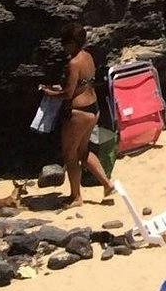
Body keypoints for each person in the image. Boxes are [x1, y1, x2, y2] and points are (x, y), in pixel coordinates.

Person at [42, 21, 114, 208]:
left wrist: (50, 92)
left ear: (72, 43)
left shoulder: (73, 63)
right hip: (93, 108)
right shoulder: (88, 56)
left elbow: (68, 93)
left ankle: (76, 197)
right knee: (83, 150)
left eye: (65, 43)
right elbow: (85, 82)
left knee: (70, 154)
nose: (63, 47)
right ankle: (107, 184)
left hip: (78, 113)